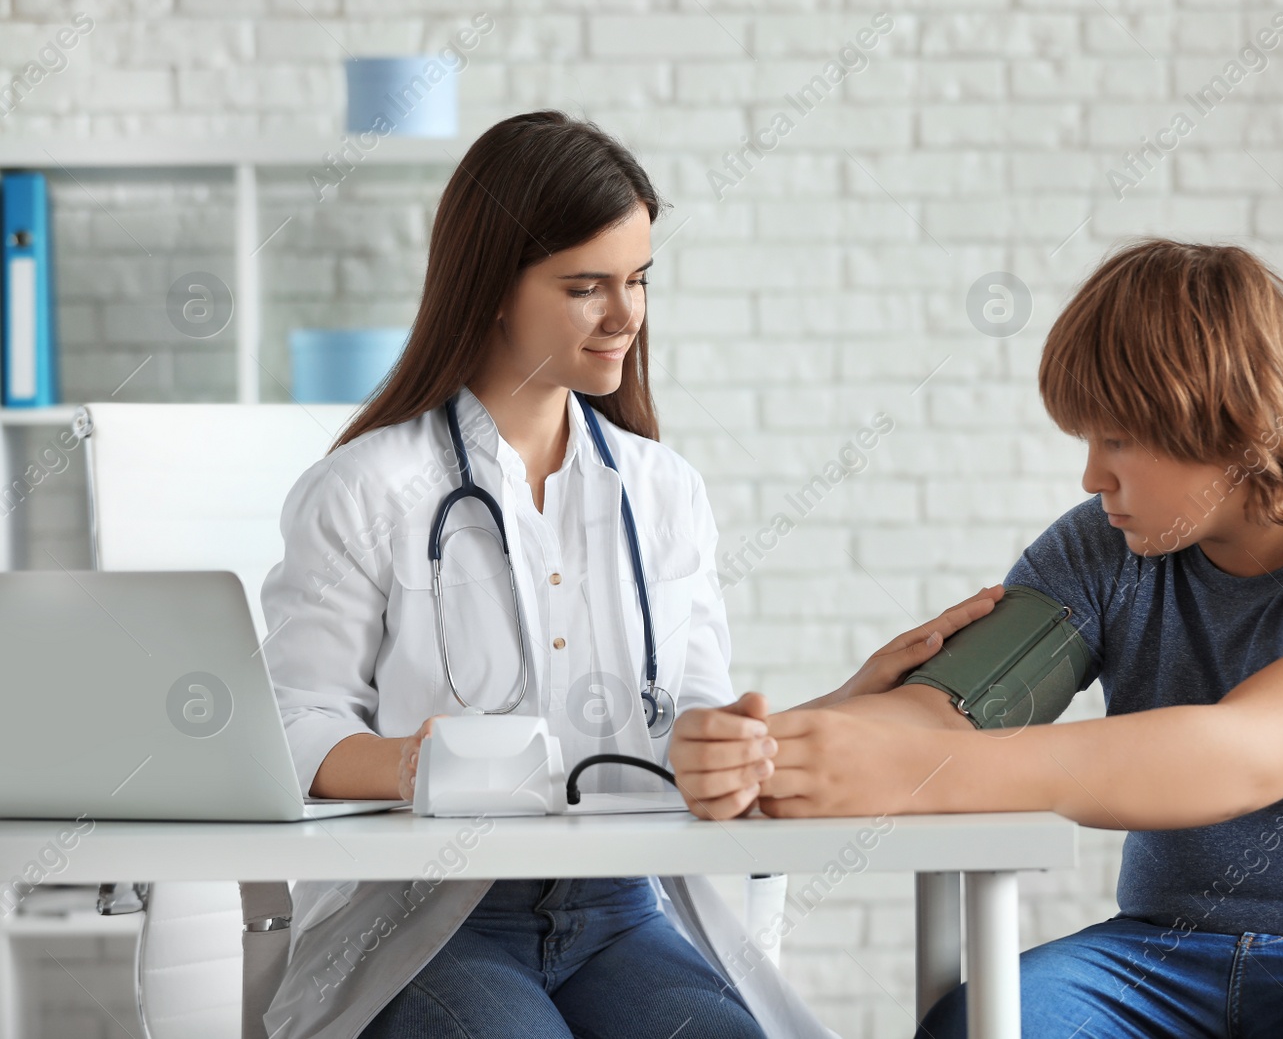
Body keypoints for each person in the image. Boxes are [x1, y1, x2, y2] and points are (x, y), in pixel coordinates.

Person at [672, 239, 1283, 1038]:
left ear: (1221, 421)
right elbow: (947, 716)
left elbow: (1249, 754)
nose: (1093, 476)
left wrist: (912, 769)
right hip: (1169, 955)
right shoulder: (1103, 545)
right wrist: (780, 744)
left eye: (1117, 439)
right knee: (976, 1025)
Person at [257, 111, 940, 1039]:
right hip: (428, 920)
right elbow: (290, 726)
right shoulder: (363, 491)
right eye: (587, 287)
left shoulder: (662, 492)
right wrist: (413, 762)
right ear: (492, 286)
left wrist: (740, 741)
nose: (626, 316)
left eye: (639, 281)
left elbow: (684, 716)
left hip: (624, 913)